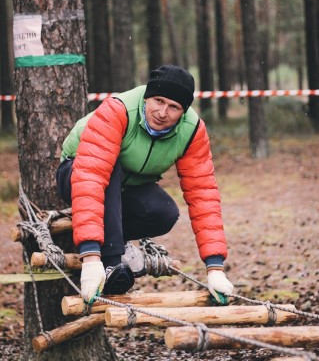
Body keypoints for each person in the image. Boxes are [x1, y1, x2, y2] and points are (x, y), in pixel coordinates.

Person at [56, 65, 234, 303]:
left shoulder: (192, 131)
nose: (162, 112)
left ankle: (115, 240)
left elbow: (203, 194)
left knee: (164, 213)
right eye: (158, 101)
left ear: (184, 111)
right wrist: (90, 258)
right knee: (111, 169)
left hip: (129, 186)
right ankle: (111, 264)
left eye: (174, 107)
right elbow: (91, 177)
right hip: (78, 173)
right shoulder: (118, 111)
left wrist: (215, 269)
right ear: (147, 97)